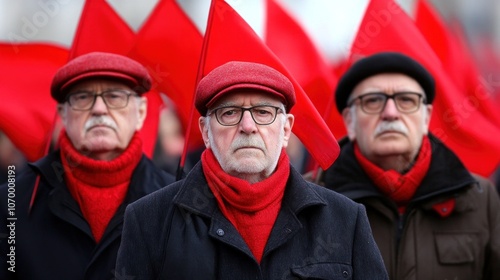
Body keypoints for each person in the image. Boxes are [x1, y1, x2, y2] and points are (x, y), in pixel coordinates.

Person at [115, 61, 388, 279]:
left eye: (264, 112)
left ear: (286, 129)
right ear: (205, 132)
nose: (247, 126)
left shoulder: (346, 219)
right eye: (230, 113)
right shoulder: (148, 220)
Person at [322, 52, 500, 280]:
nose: (390, 113)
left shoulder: (479, 198)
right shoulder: (310, 199)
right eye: (373, 101)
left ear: (426, 118)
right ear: (349, 121)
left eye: (406, 100)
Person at [0, 52, 175, 280]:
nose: (99, 109)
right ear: (63, 114)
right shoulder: (12, 202)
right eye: (83, 97)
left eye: (114, 96)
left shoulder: (176, 203)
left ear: (140, 113)